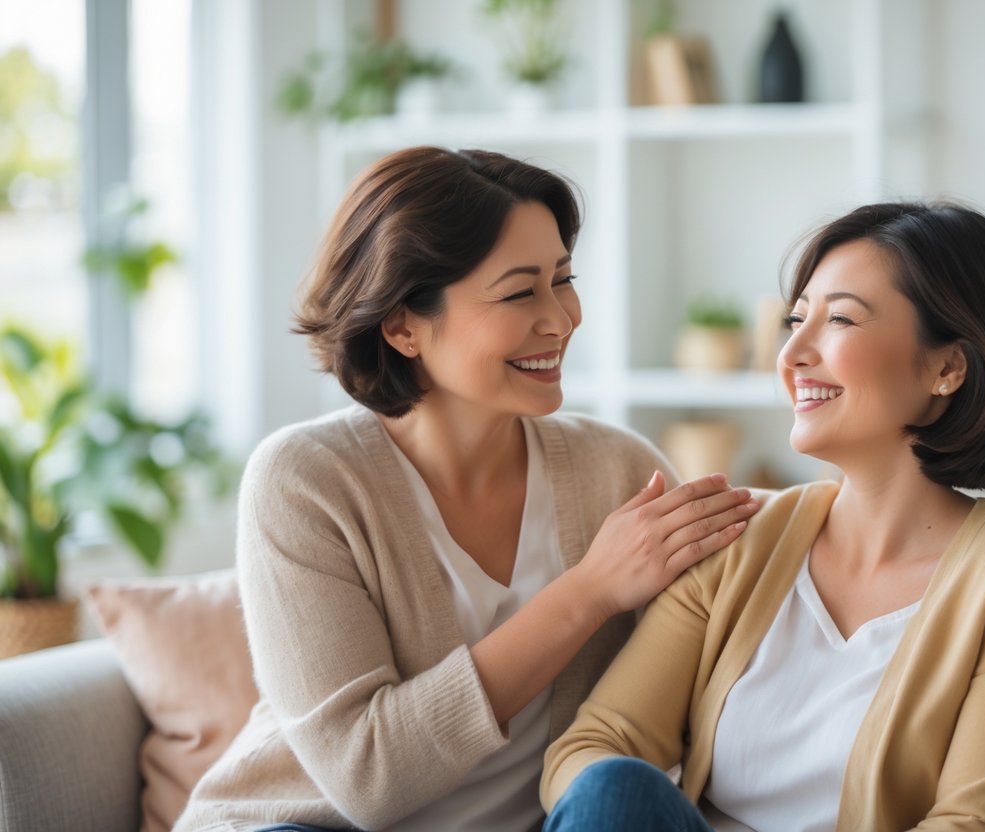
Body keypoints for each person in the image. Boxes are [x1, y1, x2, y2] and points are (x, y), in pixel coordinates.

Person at [174, 146, 761, 832]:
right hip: (317, 827)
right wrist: (590, 590)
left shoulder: (617, 470)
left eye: (562, 280)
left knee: (618, 794)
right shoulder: (305, 481)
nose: (561, 318)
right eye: (520, 292)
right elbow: (368, 778)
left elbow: (721, 668)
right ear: (401, 325)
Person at [540, 201, 985, 832]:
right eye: (796, 320)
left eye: (841, 321)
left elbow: (975, 822)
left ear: (947, 367)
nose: (792, 353)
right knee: (611, 788)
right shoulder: (737, 536)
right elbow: (590, 746)